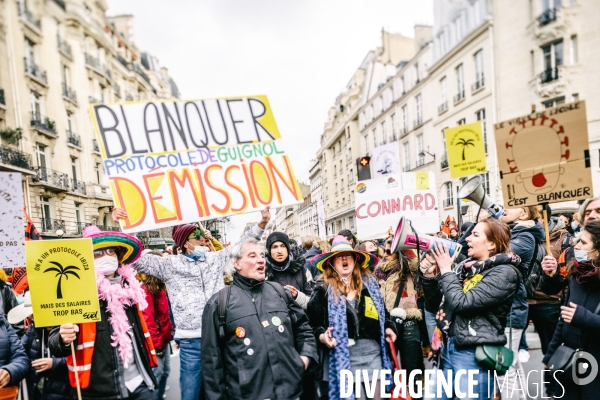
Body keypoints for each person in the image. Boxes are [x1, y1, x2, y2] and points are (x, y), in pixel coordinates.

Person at [112, 207, 270, 400]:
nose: (204, 240)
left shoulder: (215, 259)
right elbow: (135, 258)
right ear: (185, 243)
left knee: (229, 390)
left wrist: (261, 224)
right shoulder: (169, 265)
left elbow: (241, 245)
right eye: (197, 237)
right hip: (192, 343)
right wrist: (124, 229)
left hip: (222, 337)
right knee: (191, 393)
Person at [201, 237, 318, 399]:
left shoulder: (279, 292)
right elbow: (211, 362)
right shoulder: (219, 303)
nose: (261, 260)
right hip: (248, 394)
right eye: (252, 256)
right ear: (237, 263)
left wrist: (305, 358)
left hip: (291, 391)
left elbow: (303, 329)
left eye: (262, 255)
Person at [49, 226, 158, 399]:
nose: (107, 257)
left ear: (118, 256)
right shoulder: (76, 292)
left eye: (111, 251)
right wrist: (62, 338)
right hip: (101, 391)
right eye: (97, 253)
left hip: (140, 384)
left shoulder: (129, 288)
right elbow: (54, 343)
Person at [422, 218, 521, 400]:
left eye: (475, 235)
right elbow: (436, 305)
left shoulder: (505, 272)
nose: (467, 238)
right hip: (447, 346)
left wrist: (446, 271)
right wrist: (429, 276)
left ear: (492, 244)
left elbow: (463, 303)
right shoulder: (464, 268)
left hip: (473, 351)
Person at [307, 235, 396, 400]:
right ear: (332, 264)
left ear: (355, 260)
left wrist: (389, 327)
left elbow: (385, 315)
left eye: (347, 255)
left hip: (373, 356)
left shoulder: (370, 285)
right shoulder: (322, 291)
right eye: (339, 257)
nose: (344, 259)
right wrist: (322, 336)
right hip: (343, 358)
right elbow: (312, 325)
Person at [541, 220, 600, 399]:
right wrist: (549, 356)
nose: (576, 245)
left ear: (597, 250)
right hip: (571, 362)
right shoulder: (576, 276)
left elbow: (576, 315)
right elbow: (563, 319)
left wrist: (583, 317)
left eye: (583, 242)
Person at [499, 205, 545, 398]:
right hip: (510, 309)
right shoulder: (515, 232)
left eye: (510, 206)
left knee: (503, 368)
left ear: (524, 213)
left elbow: (497, 253)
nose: (503, 209)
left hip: (512, 309)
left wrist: (489, 224)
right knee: (512, 363)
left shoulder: (524, 236)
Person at [374, 240, 423, 388]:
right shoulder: (377, 272)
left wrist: (401, 242)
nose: (386, 254)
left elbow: (415, 262)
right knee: (390, 372)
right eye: (385, 251)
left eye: (391, 251)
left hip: (408, 322)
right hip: (388, 324)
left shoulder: (407, 269)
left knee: (411, 372)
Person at [9, 292, 72, 400]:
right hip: (38, 390)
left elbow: (80, 357)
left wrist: (54, 363)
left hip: (62, 390)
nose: (31, 317)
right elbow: (20, 351)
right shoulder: (34, 329)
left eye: (33, 314)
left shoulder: (67, 329)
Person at [137, 267, 173, 400]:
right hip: (156, 342)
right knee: (156, 374)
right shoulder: (147, 291)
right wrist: (156, 345)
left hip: (164, 339)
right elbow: (148, 320)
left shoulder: (159, 288)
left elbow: (164, 315)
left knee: (165, 373)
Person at [265, 232, 313, 310]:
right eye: (275, 247)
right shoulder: (263, 274)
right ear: (269, 251)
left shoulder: (302, 271)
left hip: (301, 320)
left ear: (287, 248)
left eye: (283, 246)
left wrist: (298, 296)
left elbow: (314, 303)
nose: (279, 251)